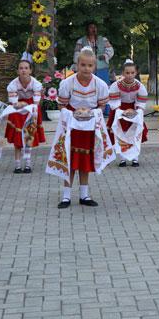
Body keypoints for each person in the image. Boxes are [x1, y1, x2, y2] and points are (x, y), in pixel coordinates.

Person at [56, 47, 110, 208]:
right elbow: (61, 106)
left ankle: (84, 195)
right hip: (72, 126)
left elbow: (102, 107)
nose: (86, 69)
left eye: (90, 66)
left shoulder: (100, 84)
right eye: (83, 65)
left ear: (94, 67)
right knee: (70, 160)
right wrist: (72, 114)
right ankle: (66, 196)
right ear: (77, 65)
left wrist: (91, 112)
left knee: (85, 159)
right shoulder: (67, 83)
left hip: (89, 126)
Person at [5, 60, 45, 173]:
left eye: (26, 68)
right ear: (18, 71)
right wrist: (22, 105)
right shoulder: (13, 85)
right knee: (18, 138)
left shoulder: (36, 84)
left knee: (29, 135)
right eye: (21, 68)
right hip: (17, 110)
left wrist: (28, 106)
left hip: (32, 109)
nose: (23, 70)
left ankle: (27, 164)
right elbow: (14, 103)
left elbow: (36, 103)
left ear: (30, 70)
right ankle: (17, 165)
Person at [108, 59, 148, 167]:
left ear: (136, 73)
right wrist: (120, 111)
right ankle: (122, 158)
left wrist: (137, 111)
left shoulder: (139, 86)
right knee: (120, 133)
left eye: (132, 73)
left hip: (134, 110)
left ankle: (135, 158)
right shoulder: (116, 85)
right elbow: (114, 101)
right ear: (122, 73)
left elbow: (141, 101)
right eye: (127, 73)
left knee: (135, 132)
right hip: (119, 110)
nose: (130, 75)